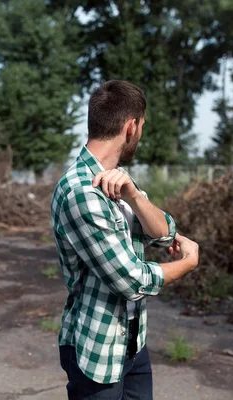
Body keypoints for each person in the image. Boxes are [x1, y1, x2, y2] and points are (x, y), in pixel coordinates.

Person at [50, 80, 200, 400]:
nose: (140, 136)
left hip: (132, 339)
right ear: (131, 127)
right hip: (97, 349)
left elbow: (164, 234)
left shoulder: (118, 181)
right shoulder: (82, 192)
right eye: (142, 127)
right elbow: (132, 281)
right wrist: (188, 264)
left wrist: (134, 196)